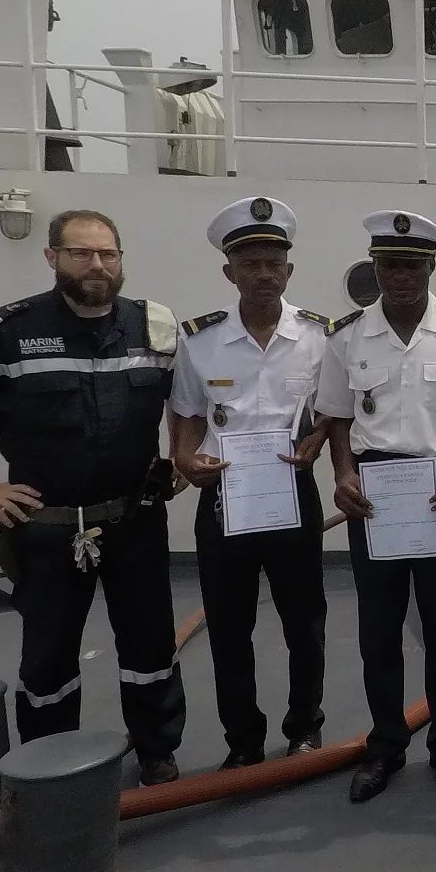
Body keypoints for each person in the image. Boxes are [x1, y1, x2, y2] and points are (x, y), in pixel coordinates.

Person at [0, 208, 185, 784]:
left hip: (133, 520)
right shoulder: (6, 330)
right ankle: (49, 763)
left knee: (150, 645)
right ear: (52, 258)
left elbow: (187, 399)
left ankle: (157, 749)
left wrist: (180, 455)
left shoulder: (153, 326)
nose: (96, 266)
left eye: (107, 254)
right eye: (81, 253)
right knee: (48, 656)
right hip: (46, 529)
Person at [316, 210, 436, 803]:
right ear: (375, 266)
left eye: (412, 263)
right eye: (390, 263)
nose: (401, 275)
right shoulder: (346, 336)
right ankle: (386, 746)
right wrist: (342, 473)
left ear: (431, 265)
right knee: (378, 629)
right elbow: (337, 418)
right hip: (374, 490)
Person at [169, 197, 333, 770]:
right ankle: (243, 739)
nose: (263, 274)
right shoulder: (199, 340)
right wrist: (182, 458)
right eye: (249, 263)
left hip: (292, 491)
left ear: (289, 270)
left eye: (273, 263)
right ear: (228, 271)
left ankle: (304, 729)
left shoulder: (319, 337)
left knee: (304, 622)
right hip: (223, 496)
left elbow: (333, 411)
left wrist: (319, 442)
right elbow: (187, 411)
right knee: (229, 626)